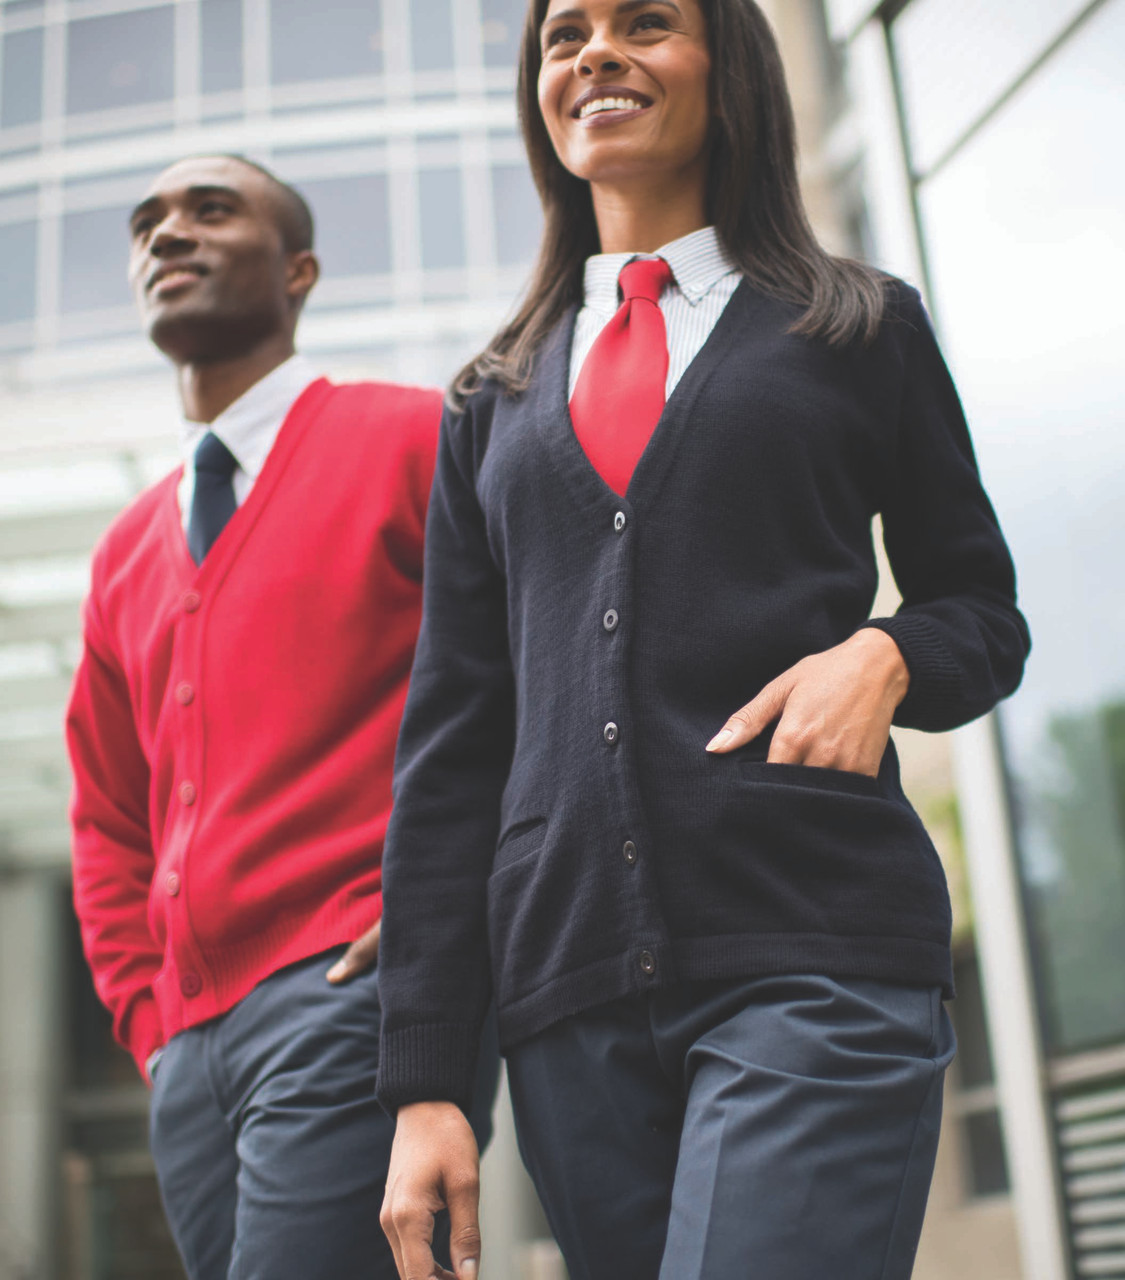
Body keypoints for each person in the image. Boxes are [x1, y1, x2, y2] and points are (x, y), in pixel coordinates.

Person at [374, 2, 1031, 1279]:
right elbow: (452, 750)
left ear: (726, 68)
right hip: (568, 1002)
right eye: (565, 35)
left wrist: (886, 655)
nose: (594, 54)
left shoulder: (855, 324)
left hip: (815, 950)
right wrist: (427, 1082)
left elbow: (984, 610)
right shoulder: (490, 401)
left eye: (646, 23)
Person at [65, 153, 497, 1280]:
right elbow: (108, 815)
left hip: (352, 990)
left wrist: (449, 908)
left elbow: (525, 677)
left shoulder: (415, 437)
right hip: (190, 1050)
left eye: (213, 211)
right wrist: (150, 1023)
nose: (170, 234)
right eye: (149, 221)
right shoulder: (124, 554)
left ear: (297, 269)